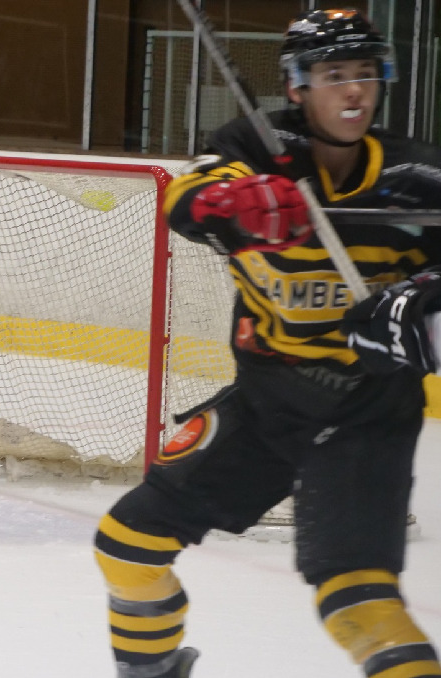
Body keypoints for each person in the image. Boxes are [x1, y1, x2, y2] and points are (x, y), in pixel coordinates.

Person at [93, 10, 441, 678]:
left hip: (366, 419)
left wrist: (420, 303)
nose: (354, 92)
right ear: (299, 86)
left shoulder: (418, 178)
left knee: (357, 604)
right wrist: (239, 201)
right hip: (266, 403)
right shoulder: (253, 146)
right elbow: (188, 199)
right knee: (127, 546)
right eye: (334, 75)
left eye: (365, 74)